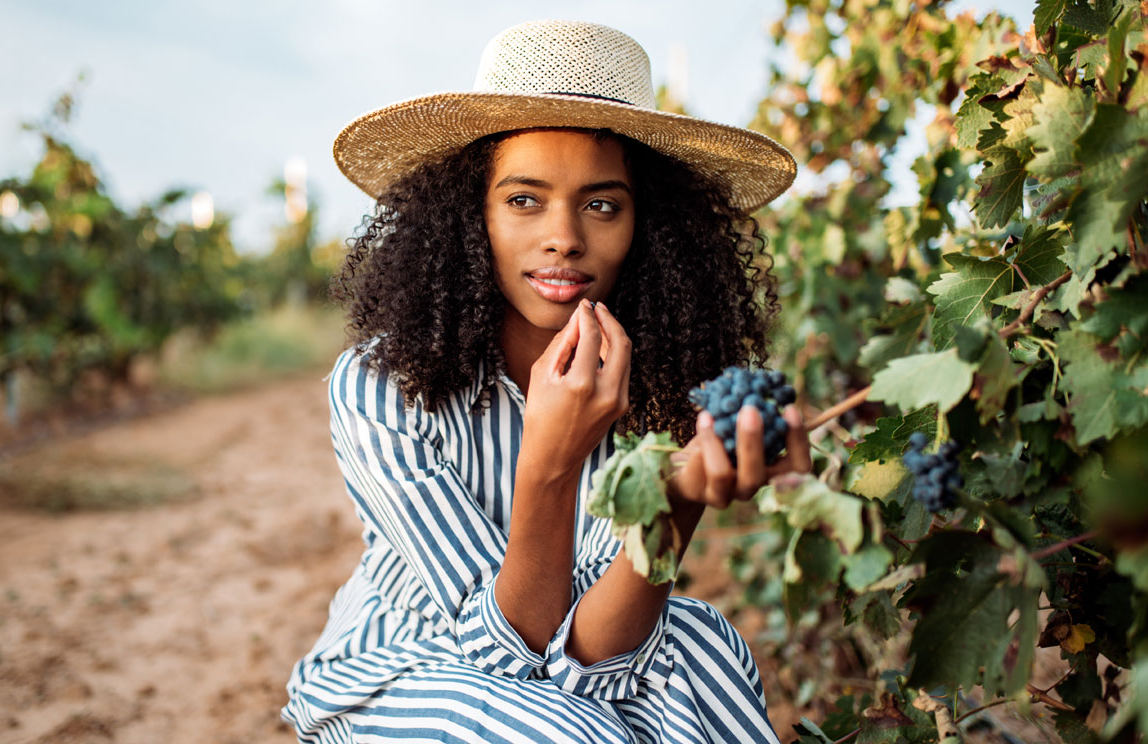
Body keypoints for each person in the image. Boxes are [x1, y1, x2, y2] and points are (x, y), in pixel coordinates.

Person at [282, 19, 807, 744]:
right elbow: (510, 651)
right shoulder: (381, 387)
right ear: (471, 216)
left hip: (575, 664)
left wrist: (678, 500)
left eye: (602, 205)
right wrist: (550, 461)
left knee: (708, 658)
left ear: (646, 227)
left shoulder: (660, 390)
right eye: (524, 199)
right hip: (399, 671)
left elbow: (594, 662)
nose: (564, 235)